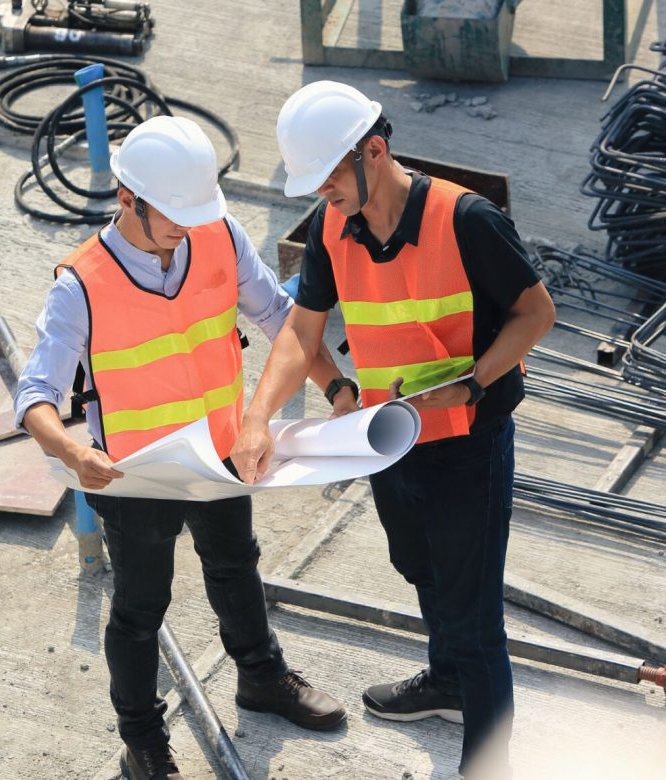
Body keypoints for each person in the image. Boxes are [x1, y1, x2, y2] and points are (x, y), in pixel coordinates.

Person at [230, 81, 555, 780]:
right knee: (421, 570)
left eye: (328, 180)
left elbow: (537, 314)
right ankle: (445, 684)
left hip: (469, 446)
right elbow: (299, 334)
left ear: (373, 152)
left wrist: (477, 380)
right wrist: (262, 414)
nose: (322, 196)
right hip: (389, 439)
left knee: (474, 622)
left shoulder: (468, 221)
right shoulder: (330, 228)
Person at [14, 115, 346, 780]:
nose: (185, 226)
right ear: (127, 198)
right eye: (173, 212)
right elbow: (35, 394)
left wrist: (337, 384)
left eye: (195, 211)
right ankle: (142, 741)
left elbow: (281, 320)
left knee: (235, 565)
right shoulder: (81, 283)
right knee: (140, 610)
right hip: (136, 476)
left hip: (222, 453)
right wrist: (75, 454)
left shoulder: (218, 234)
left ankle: (261, 677)